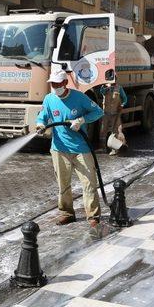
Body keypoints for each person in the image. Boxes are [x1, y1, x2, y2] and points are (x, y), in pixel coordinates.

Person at [36, 69, 104, 227]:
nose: (55, 87)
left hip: (81, 148)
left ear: (65, 83)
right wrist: (40, 123)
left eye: (58, 84)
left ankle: (93, 216)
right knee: (63, 184)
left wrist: (81, 120)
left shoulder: (79, 97)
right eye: (53, 84)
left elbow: (98, 112)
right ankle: (67, 213)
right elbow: (43, 116)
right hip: (59, 149)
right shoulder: (49, 98)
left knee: (89, 183)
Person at [99, 83, 128, 155]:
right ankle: (103, 148)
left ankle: (115, 150)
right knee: (103, 131)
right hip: (106, 114)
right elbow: (101, 92)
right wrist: (105, 86)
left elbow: (125, 99)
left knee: (117, 131)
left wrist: (122, 105)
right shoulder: (105, 88)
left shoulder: (119, 88)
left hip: (116, 114)